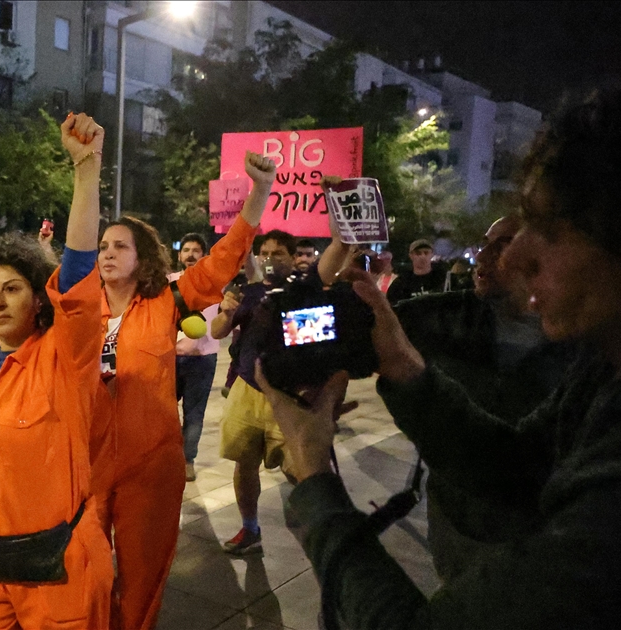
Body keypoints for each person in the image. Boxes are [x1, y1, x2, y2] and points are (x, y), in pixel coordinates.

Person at [257, 89, 621, 629]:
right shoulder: (604, 372)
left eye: (546, 230)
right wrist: (405, 371)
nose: (515, 258)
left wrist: (314, 481)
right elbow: (520, 466)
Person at [0, 111, 110, 629]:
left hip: (56, 566)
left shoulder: (64, 355)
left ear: (38, 298)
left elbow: (77, 270)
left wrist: (86, 171)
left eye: (11, 289)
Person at [94, 150, 274, 630]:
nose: (107, 253)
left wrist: (259, 193)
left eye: (120, 246)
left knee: (141, 576)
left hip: (150, 464)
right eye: (103, 246)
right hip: (85, 462)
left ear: (143, 258)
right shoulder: (75, 306)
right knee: (83, 573)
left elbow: (223, 260)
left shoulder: (166, 300)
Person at [393, 214, 573, 581]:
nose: (482, 257)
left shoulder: (584, 338)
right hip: (457, 519)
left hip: (542, 528)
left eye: (502, 245)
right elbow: (368, 325)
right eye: (484, 244)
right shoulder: (445, 315)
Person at [209, 229, 299, 555]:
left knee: (300, 468)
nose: (270, 259)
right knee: (244, 464)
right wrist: (227, 313)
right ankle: (250, 530)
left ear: (293, 258)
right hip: (246, 390)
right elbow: (217, 331)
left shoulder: (305, 293)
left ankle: (325, 528)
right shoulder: (248, 292)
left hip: (288, 395)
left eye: (279, 254)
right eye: (266, 253)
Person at [169, 233, 221, 482]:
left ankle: (187, 459)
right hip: (171, 357)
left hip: (203, 358)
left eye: (196, 250)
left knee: (194, 414)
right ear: (179, 255)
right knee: (166, 410)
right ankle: (166, 454)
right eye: (186, 250)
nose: (190, 254)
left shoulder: (213, 283)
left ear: (204, 255)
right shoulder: (168, 283)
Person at [386, 238, 443, 303]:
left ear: (432, 254)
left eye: (426, 253)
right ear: (411, 255)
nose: (422, 256)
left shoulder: (442, 279)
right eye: (418, 253)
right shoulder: (400, 283)